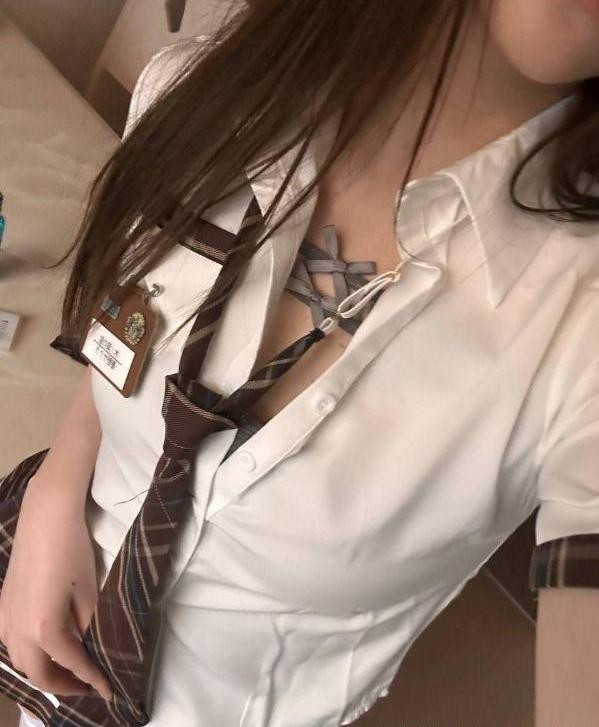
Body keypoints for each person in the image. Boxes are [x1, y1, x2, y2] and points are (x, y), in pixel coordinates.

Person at [3, 0, 599, 725]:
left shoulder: (582, 323)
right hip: (49, 609)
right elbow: (133, 320)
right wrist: (59, 485)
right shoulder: (199, 93)